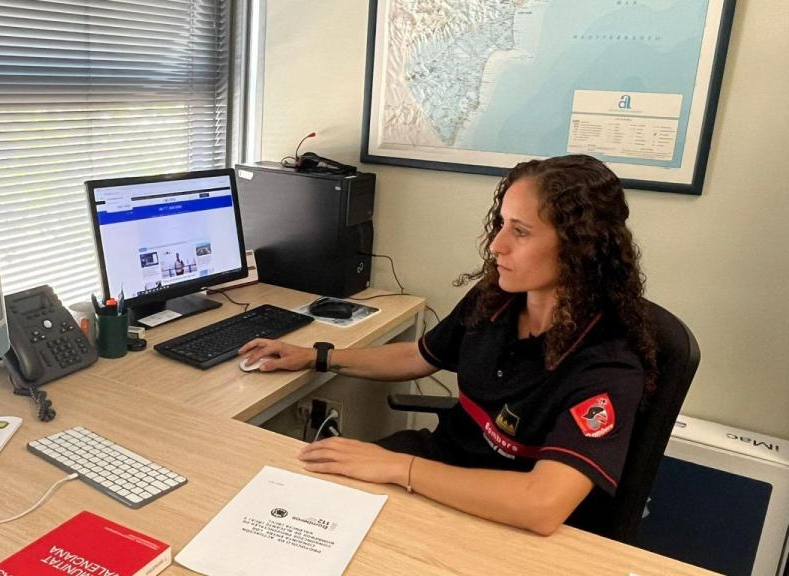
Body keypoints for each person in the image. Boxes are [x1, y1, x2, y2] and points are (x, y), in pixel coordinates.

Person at [238, 154, 656, 536]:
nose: (497, 245)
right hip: (438, 468)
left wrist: (401, 468)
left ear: (579, 248)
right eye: (501, 224)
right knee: (299, 501)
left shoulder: (608, 362)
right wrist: (318, 356)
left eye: (521, 232)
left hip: (506, 518)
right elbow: (419, 355)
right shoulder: (498, 298)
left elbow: (541, 505)